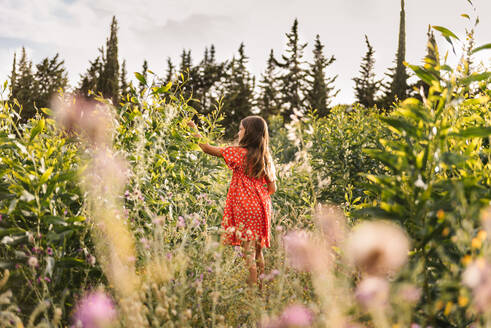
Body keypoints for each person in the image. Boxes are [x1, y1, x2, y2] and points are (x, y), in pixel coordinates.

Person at [188, 116, 276, 289]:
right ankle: (262, 291)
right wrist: (257, 193)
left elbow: (206, 148)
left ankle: (251, 297)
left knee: (248, 254)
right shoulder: (265, 157)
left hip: (245, 207)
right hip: (262, 206)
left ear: (249, 132)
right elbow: (272, 188)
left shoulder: (239, 153)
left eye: (241, 129)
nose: (238, 132)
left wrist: (192, 128)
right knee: (258, 252)